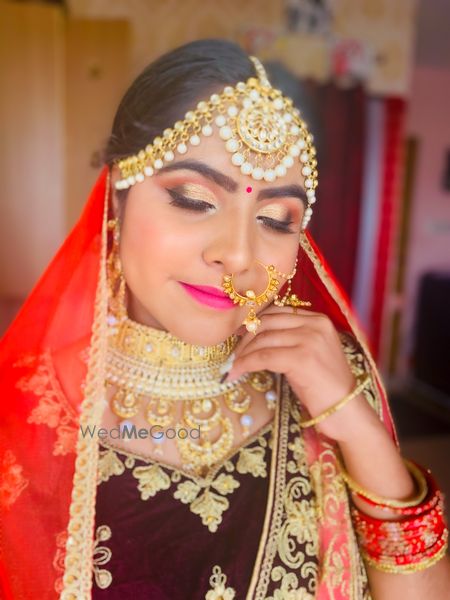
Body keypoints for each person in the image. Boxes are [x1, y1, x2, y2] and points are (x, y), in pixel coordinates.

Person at [0, 39, 449, 600]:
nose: (238, 256)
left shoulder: (333, 376)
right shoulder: (19, 408)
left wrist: (359, 430)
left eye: (276, 219)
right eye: (193, 198)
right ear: (117, 196)